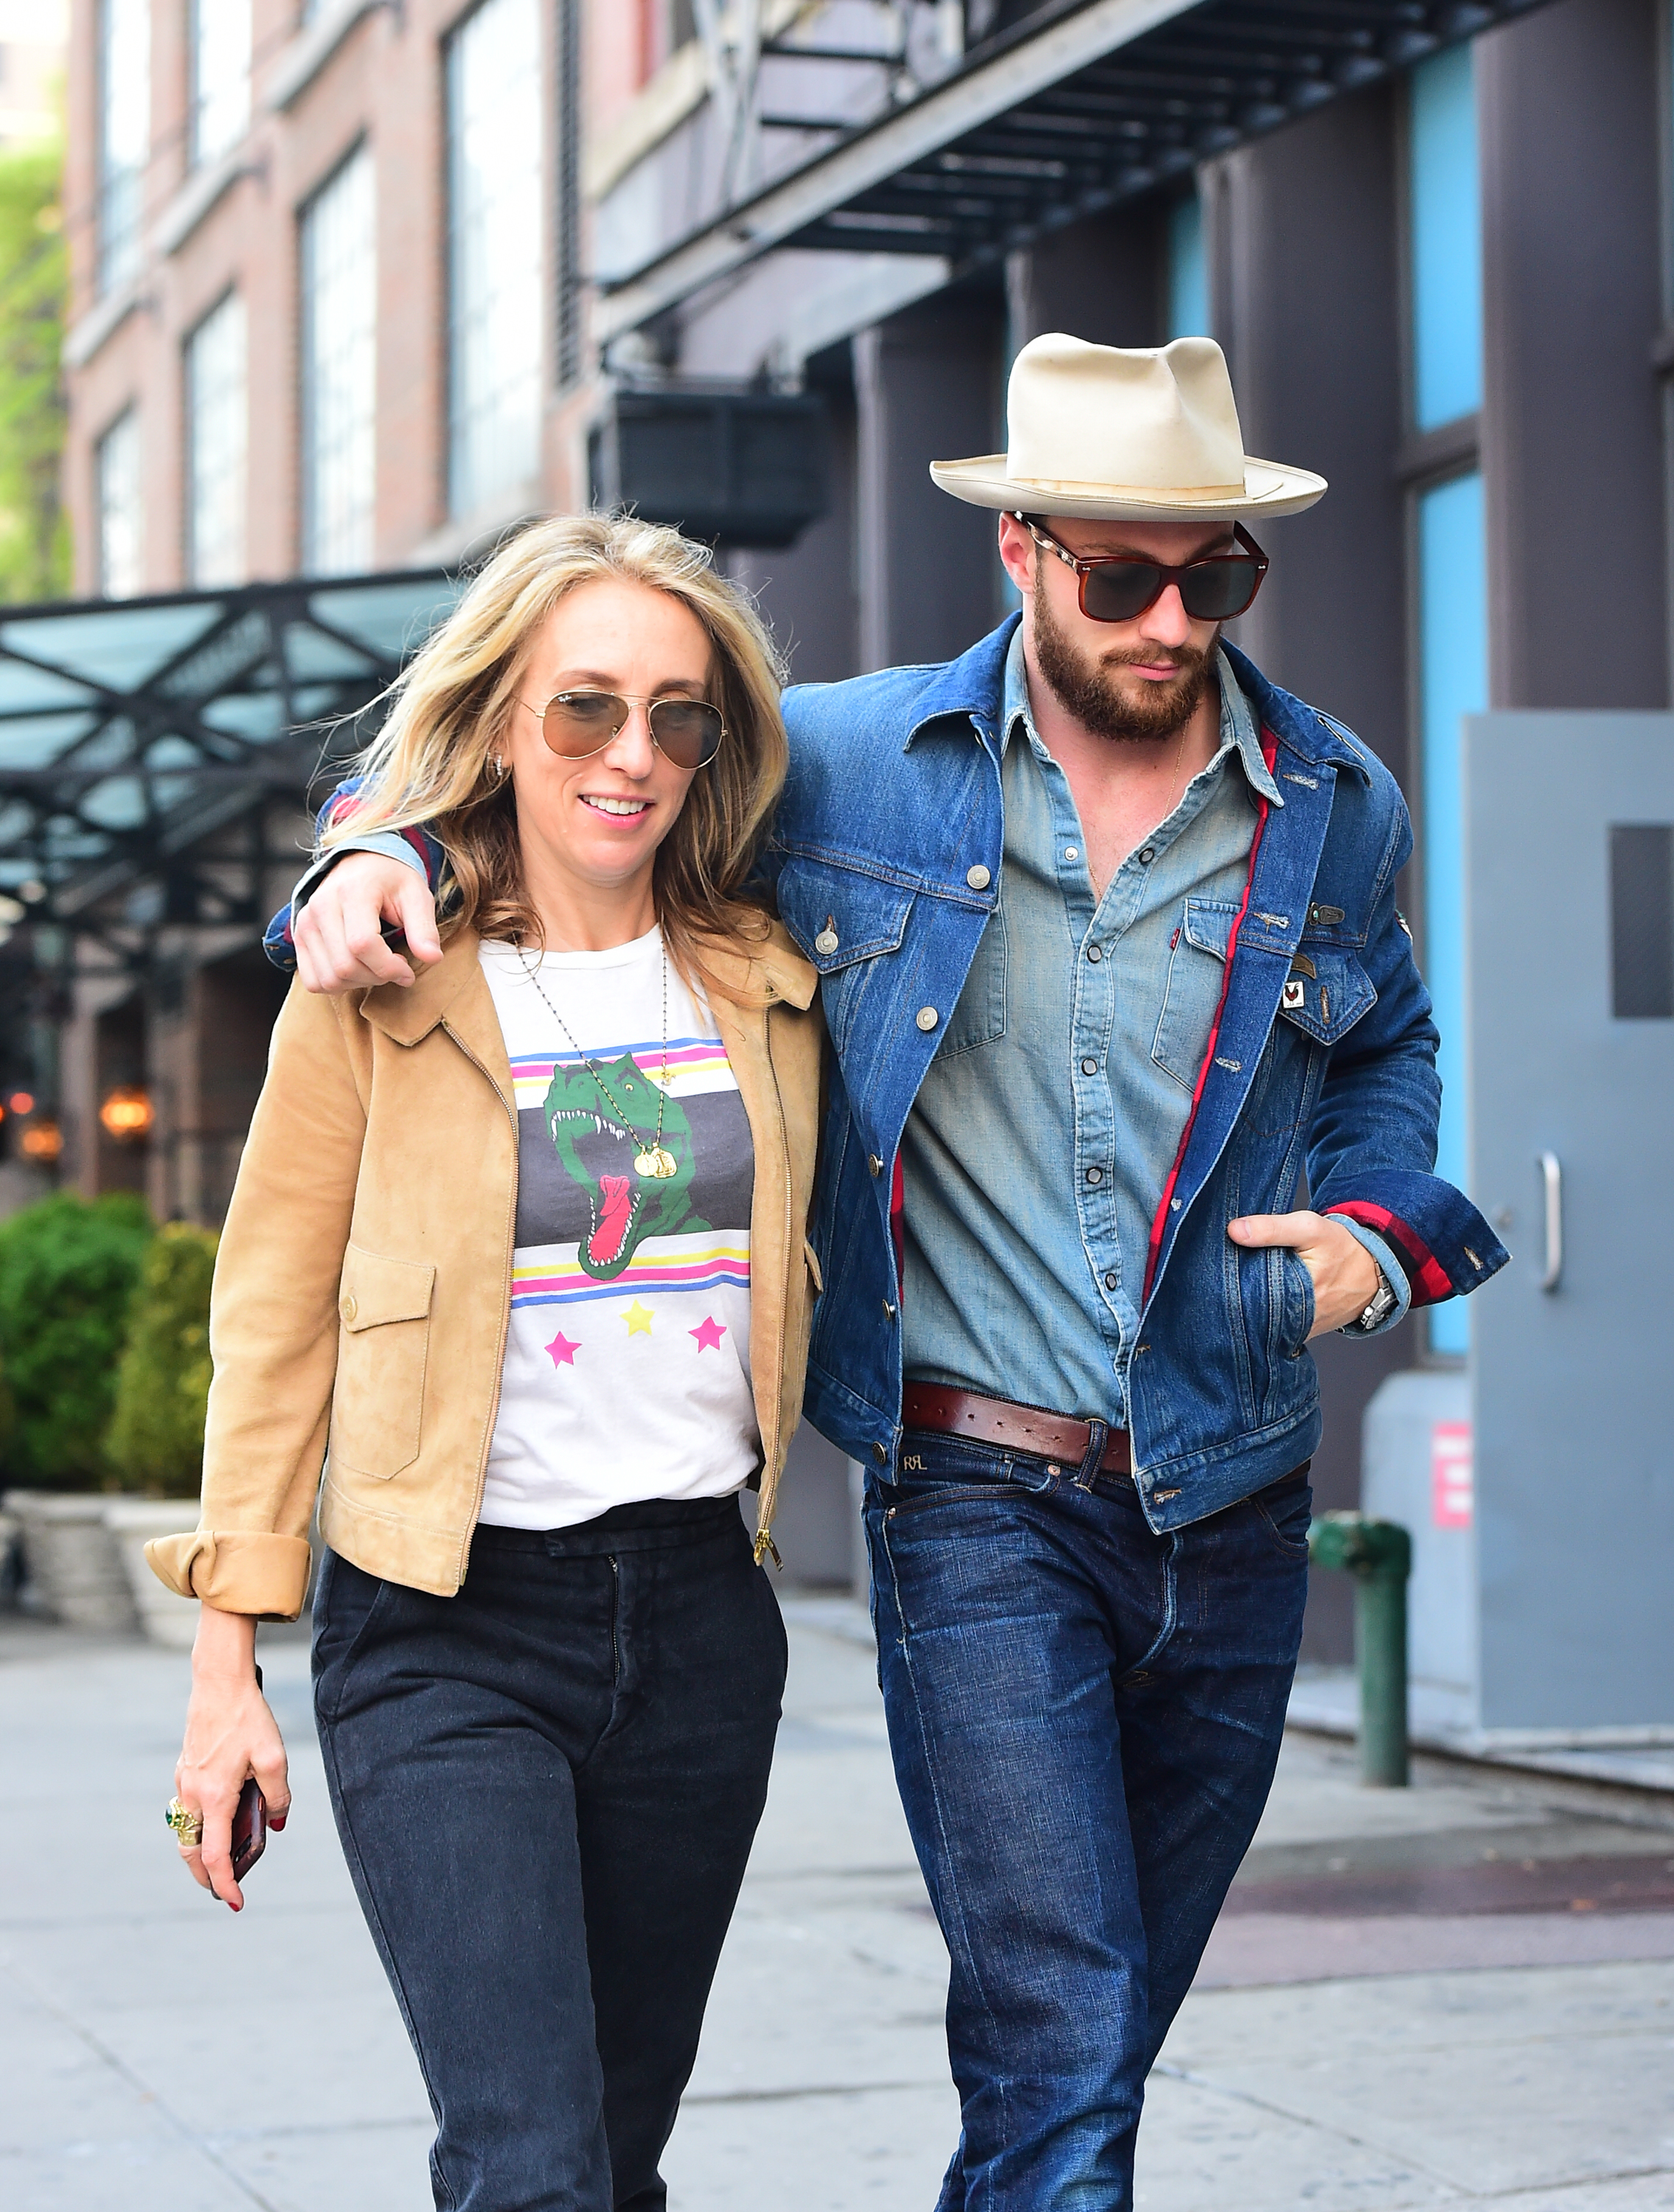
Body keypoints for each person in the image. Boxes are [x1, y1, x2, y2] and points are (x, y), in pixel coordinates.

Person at [273, 338, 1508, 2209]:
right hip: (975, 1495)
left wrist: (1376, 1236)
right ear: (1019, 551)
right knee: (1064, 2024)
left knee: (1092, 2038)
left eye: (1215, 577)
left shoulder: (1334, 801)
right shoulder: (851, 768)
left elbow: (1388, 1046)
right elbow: (562, 750)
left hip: (1234, 1493)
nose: (1172, 620)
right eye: (1120, 575)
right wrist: (361, 844)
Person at [148, 515, 824, 2212]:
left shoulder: (767, 969)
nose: (633, 755)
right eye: (584, 708)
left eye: (680, 715)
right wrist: (225, 1669)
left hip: (696, 1623)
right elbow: (273, 1310)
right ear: (504, 717)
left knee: (614, 2153)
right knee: (527, 2166)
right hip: (444, 1628)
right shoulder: (382, 973)